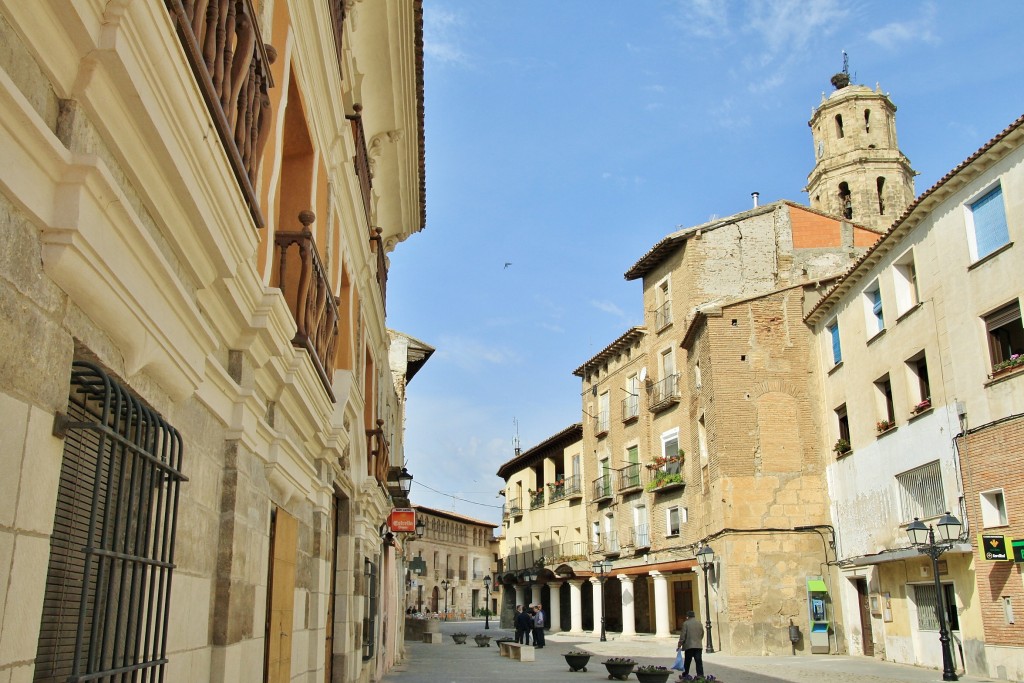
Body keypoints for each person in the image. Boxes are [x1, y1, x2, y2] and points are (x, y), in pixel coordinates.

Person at [678, 610, 705, 677]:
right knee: (698, 661)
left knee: (687, 662)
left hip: (689, 645)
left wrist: (680, 644)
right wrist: (698, 640)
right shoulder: (699, 623)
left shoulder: (686, 623)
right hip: (698, 645)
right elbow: (702, 633)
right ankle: (700, 675)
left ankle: (685, 675)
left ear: (687, 617)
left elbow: (683, 635)